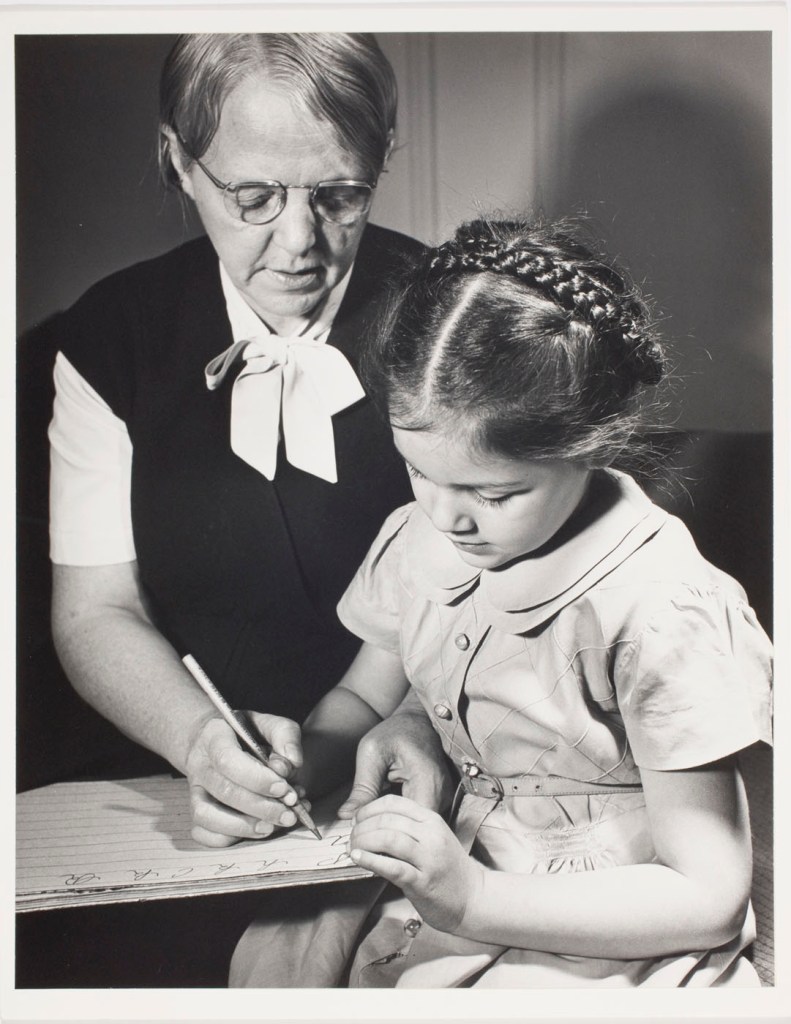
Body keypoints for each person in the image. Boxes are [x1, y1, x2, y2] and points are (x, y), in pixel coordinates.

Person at [229, 217, 773, 987]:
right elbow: (360, 695)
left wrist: (479, 897)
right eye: (419, 472)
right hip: (453, 853)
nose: (446, 517)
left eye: (493, 493)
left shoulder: (660, 610)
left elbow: (707, 894)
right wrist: (285, 767)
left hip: (606, 919)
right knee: (274, 960)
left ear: (591, 444)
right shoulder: (420, 537)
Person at [26, 32, 453, 988]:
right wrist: (199, 741)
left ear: (383, 152)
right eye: (251, 198)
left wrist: (424, 721)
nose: (299, 244)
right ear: (182, 160)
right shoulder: (110, 336)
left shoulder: (447, 314)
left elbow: (501, 580)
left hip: (416, 765)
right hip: (177, 791)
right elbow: (96, 611)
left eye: (339, 196)